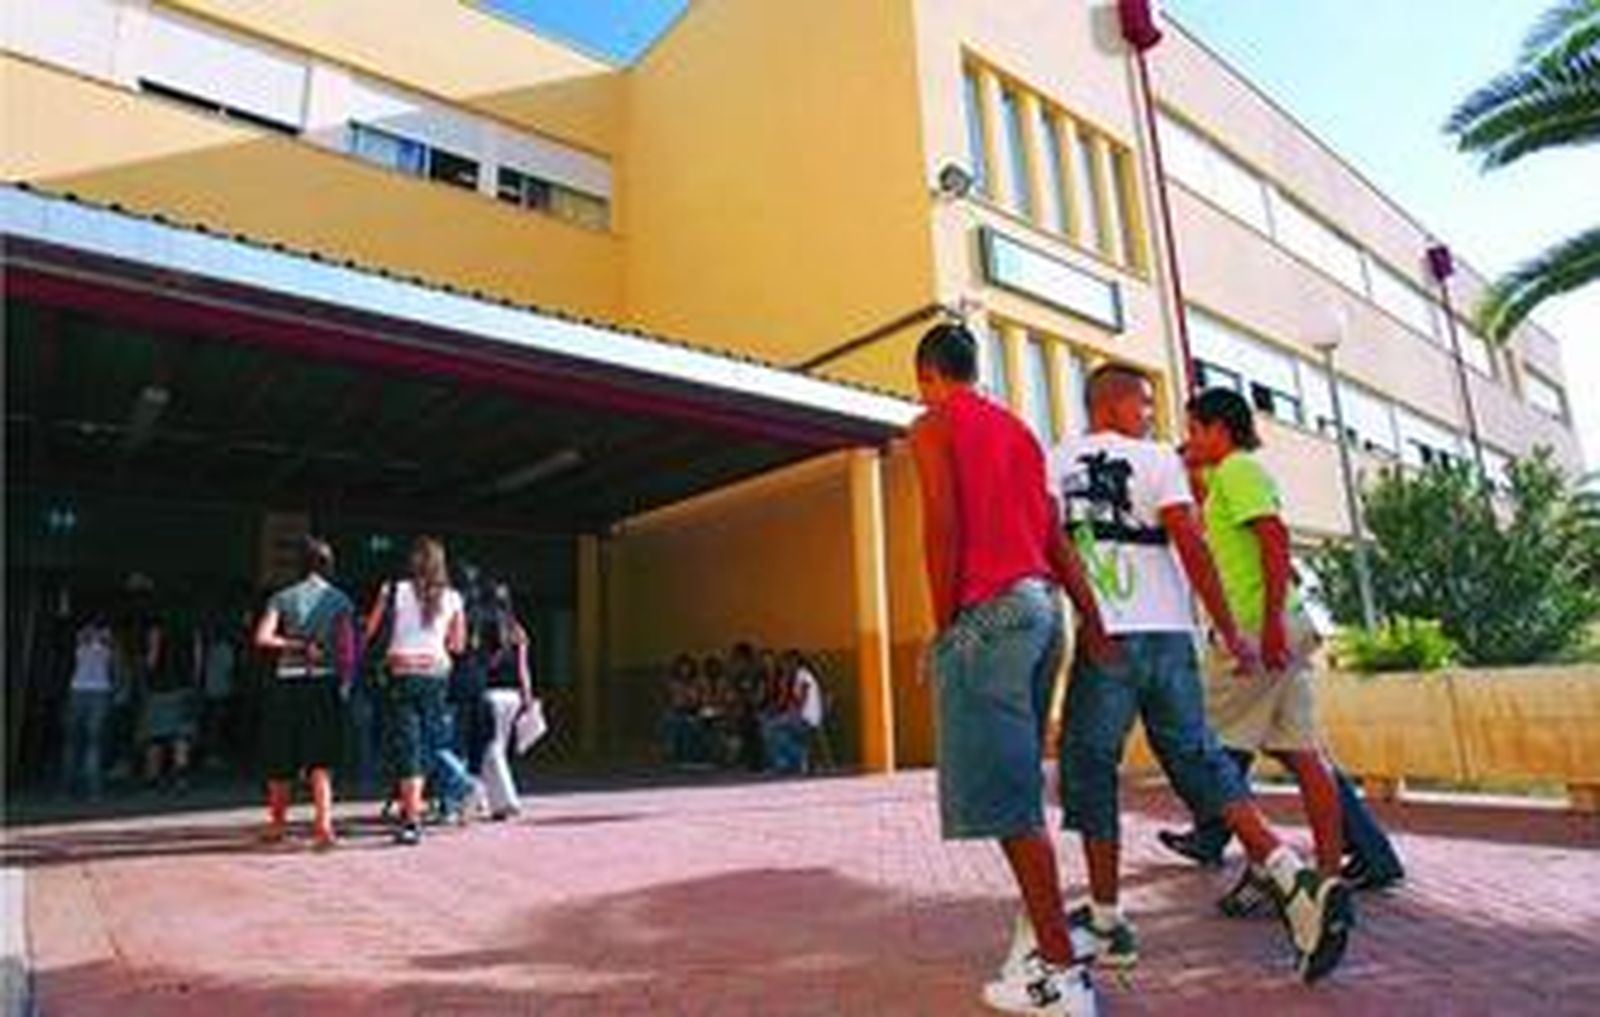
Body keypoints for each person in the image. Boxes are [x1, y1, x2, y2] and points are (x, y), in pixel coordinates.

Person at [1040, 364, 1354, 985]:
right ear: (1115, 402)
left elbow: (1053, 541)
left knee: (1087, 766)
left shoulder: (1058, 457)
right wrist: (1227, 627)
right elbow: (1190, 545)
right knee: (1199, 760)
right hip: (1170, 640)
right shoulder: (1161, 461)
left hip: (1111, 639)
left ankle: (1105, 918)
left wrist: (1090, 618)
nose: (1155, 416)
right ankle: (1291, 878)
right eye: (1146, 403)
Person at [908, 322, 1116, 1016]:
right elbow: (1054, 535)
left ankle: (1060, 973)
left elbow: (941, 524)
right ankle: (1043, 934)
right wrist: (1093, 616)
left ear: (928, 375)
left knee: (1003, 801)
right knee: (1018, 792)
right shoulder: (1021, 433)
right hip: (1043, 612)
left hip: (990, 616)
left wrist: (942, 627)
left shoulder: (934, 424)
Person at [1154, 389, 1404, 905]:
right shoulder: (1231, 477)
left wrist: (1265, 624)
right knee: (1302, 754)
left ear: (1220, 430)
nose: (1188, 440)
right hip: (1280, 627)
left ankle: (1271, 870)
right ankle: (1327, 878)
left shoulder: (1238, 472)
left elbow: (1274, 538)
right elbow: (1236, 532)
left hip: (1253, 630)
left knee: (1202, 750)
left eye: (1195, 430)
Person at [253, 536, 356, 849]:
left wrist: (294, 644)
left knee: (280, 755)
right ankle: (323, 825)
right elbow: (347, 648)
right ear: (328, 565)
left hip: (288, 681)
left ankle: (278, 824)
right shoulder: (340, 600)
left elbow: (263, 637)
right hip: (323, 683)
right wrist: (346, 680)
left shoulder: (282, 597)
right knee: (321, 758)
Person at [367, 536, 466, 846]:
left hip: (402, 674)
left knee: (408, 747)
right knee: (431, 743)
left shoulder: (393, 590)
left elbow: (370, 631)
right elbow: (457, 645)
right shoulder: (452, 597)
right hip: (436, 676)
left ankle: (412, 821)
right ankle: (455, 792)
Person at [476, 581, 536, 820]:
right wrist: (528, 697)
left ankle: (507, 801)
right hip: (513, 696)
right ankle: (486, 800)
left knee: (491, 749)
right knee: (494, 747)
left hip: (490, 693)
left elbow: (484, 664)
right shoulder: (517, 630)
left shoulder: (485, 627)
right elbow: (523, 667)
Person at [136, 599, 200, 792]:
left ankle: (152, 777)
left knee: (155, 736)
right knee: (182, 736)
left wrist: (145, 675)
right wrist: (193, 683)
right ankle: (181, 777)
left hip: (160, 688)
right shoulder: (192, 631)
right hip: (185, 686)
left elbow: (152, 659)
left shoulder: (156, 631)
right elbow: (198, 661)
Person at [61, 614, 117, 800]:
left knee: (72, 741)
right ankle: (94, 791)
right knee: (95, 743)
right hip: (100, 691)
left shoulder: (81, 640)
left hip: (77, 689)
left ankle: (68, 789)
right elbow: (113, 665)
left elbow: (72, 656)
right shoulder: (107, 643)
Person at [761, 651, 824, 775]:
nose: (785, 666)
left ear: (794, 662)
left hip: (807, 718)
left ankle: (791, 760)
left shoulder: (803, 675)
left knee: (769, 728)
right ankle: (788, 761)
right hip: (800, 716)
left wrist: (787, 712)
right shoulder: (798, 676)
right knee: (774, 728)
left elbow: (800, 702)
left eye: (787, 663)